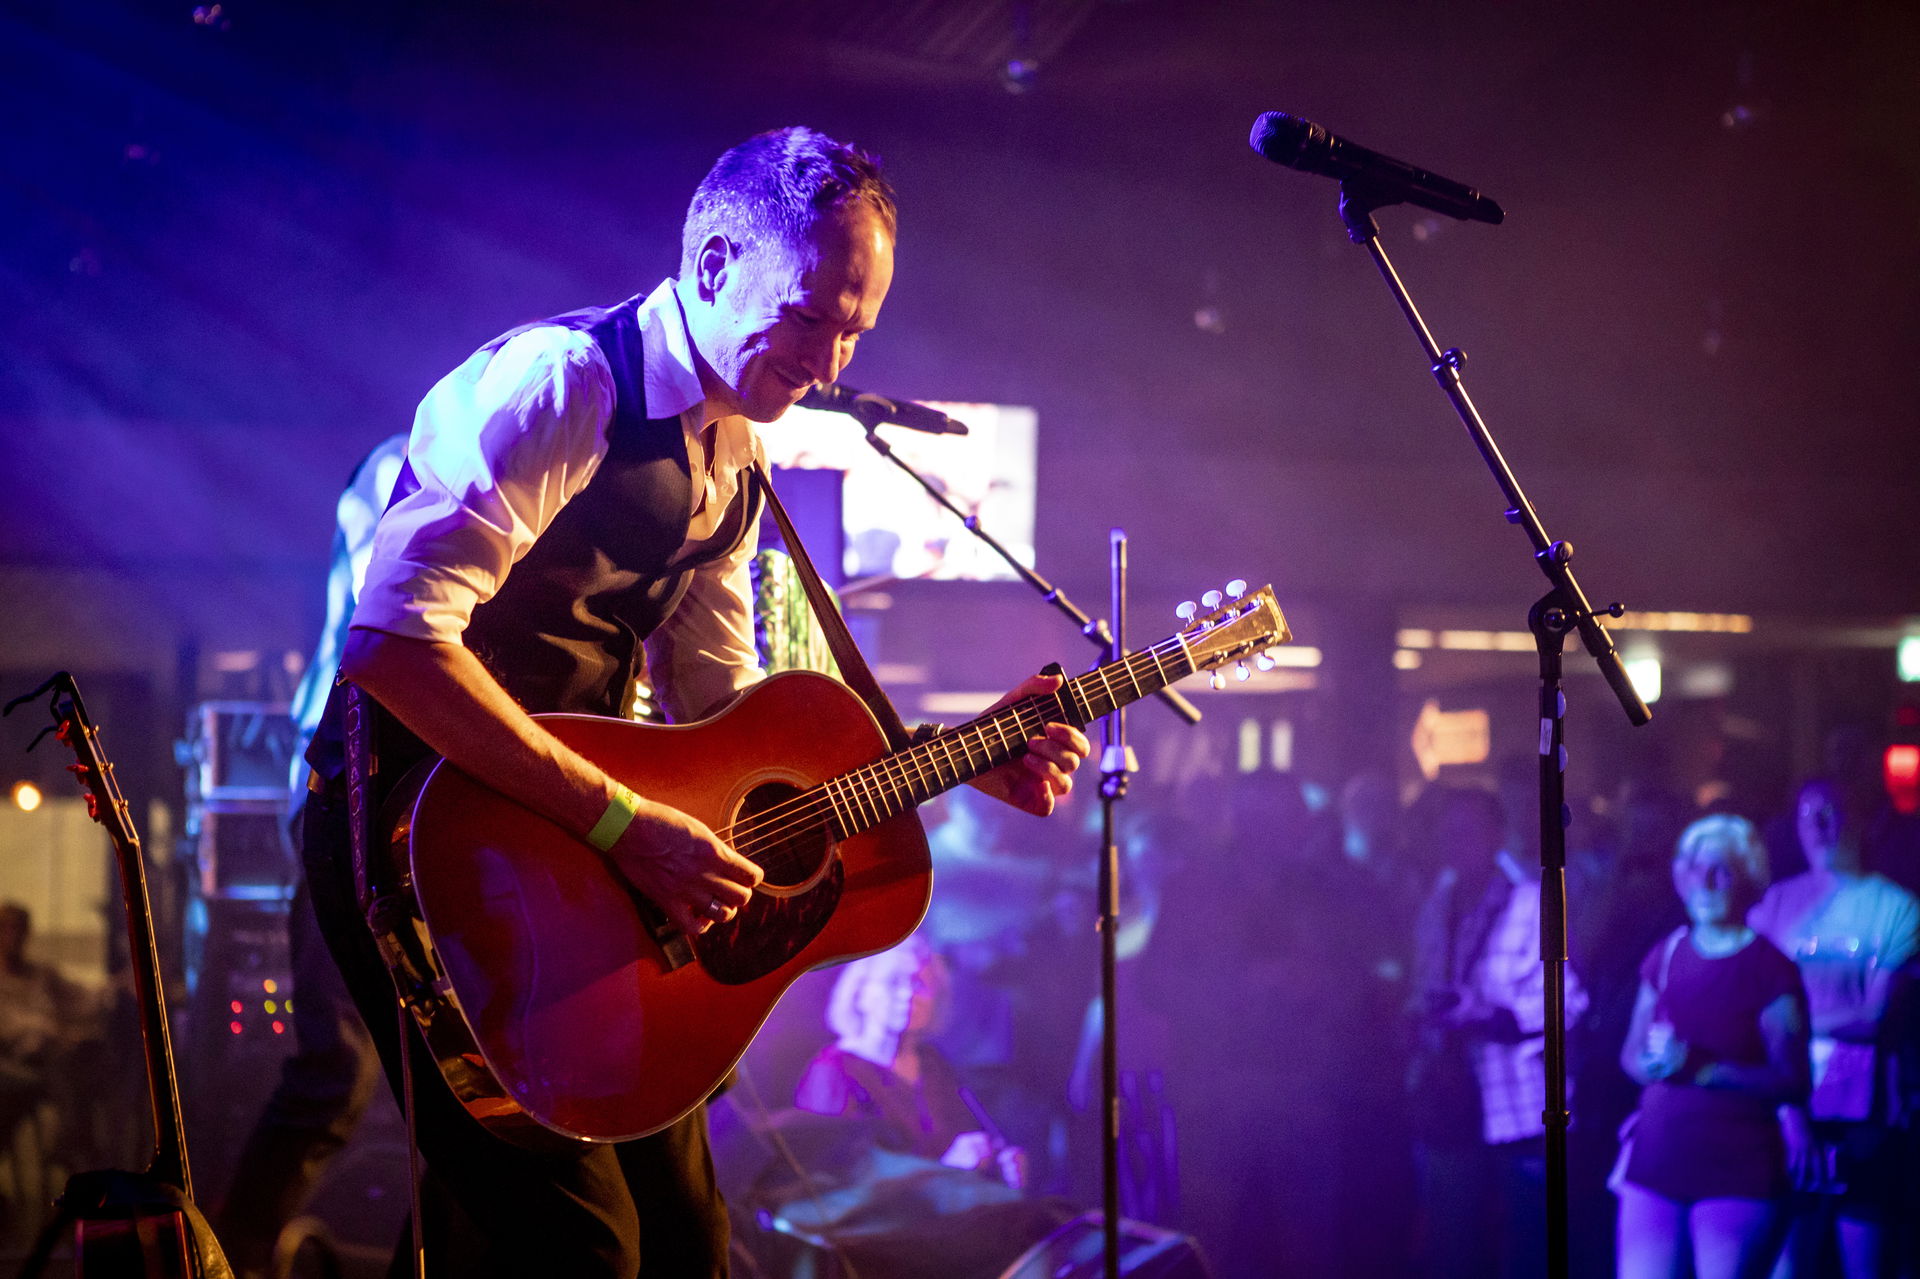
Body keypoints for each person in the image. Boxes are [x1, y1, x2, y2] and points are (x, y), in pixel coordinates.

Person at [299, 127, 1088, 1279]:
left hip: (581, 861)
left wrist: (948, 755)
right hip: (421, 849)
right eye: (811, 317)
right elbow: (390, 643)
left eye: (855, 331)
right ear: (714, 265)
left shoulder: (736, 449)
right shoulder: (562, 382)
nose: (827, 363)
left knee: (685, 1244)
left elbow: (725, 717)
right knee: (582, 1248)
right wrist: (624, 824)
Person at [216, 436, 405, 1279]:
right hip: (351, 793)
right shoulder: (405, 461)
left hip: (408, 799)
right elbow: (395, 609)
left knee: (461, 1093)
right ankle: (231, 1260)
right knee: (336, 1071)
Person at [1614, 814, 1812, 1279]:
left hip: (1736, 1168)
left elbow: (1793, 1078)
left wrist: (1704, 1069)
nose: (1704, 880)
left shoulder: (1769, 968)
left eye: (1719, 868)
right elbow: (1629, 1056)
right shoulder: (1665, 953)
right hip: (1656, 1163)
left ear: (1746, 877)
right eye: (1693, 868)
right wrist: (1654, 1063)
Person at [1408, 784, 1588, 1279]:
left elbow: (1570, 1003)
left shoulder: (1531, 902)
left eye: (1467, 830)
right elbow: (1424, 990)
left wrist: (1486, 1015)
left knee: (1528, 1253)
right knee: (1453, 1254)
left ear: (1497, 836)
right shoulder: (1436, 904)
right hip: (1452, 1106)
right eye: (1447, 832)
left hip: (1522, 1112)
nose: (1455, 840)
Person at [1749, 777, 1920, 1279]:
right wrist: (1791, 1116)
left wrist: (1791, 1021)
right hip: (1789, 1111)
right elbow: (1755, 1015)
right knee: (1787, 1264)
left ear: (1861, 819)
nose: (1820, 824)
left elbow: (1876, 1018)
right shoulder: (1775, 904)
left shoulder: (1897, 907)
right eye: (1808, 813)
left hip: (1864, 1119)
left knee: (1865, 1260)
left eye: (1833, 811)